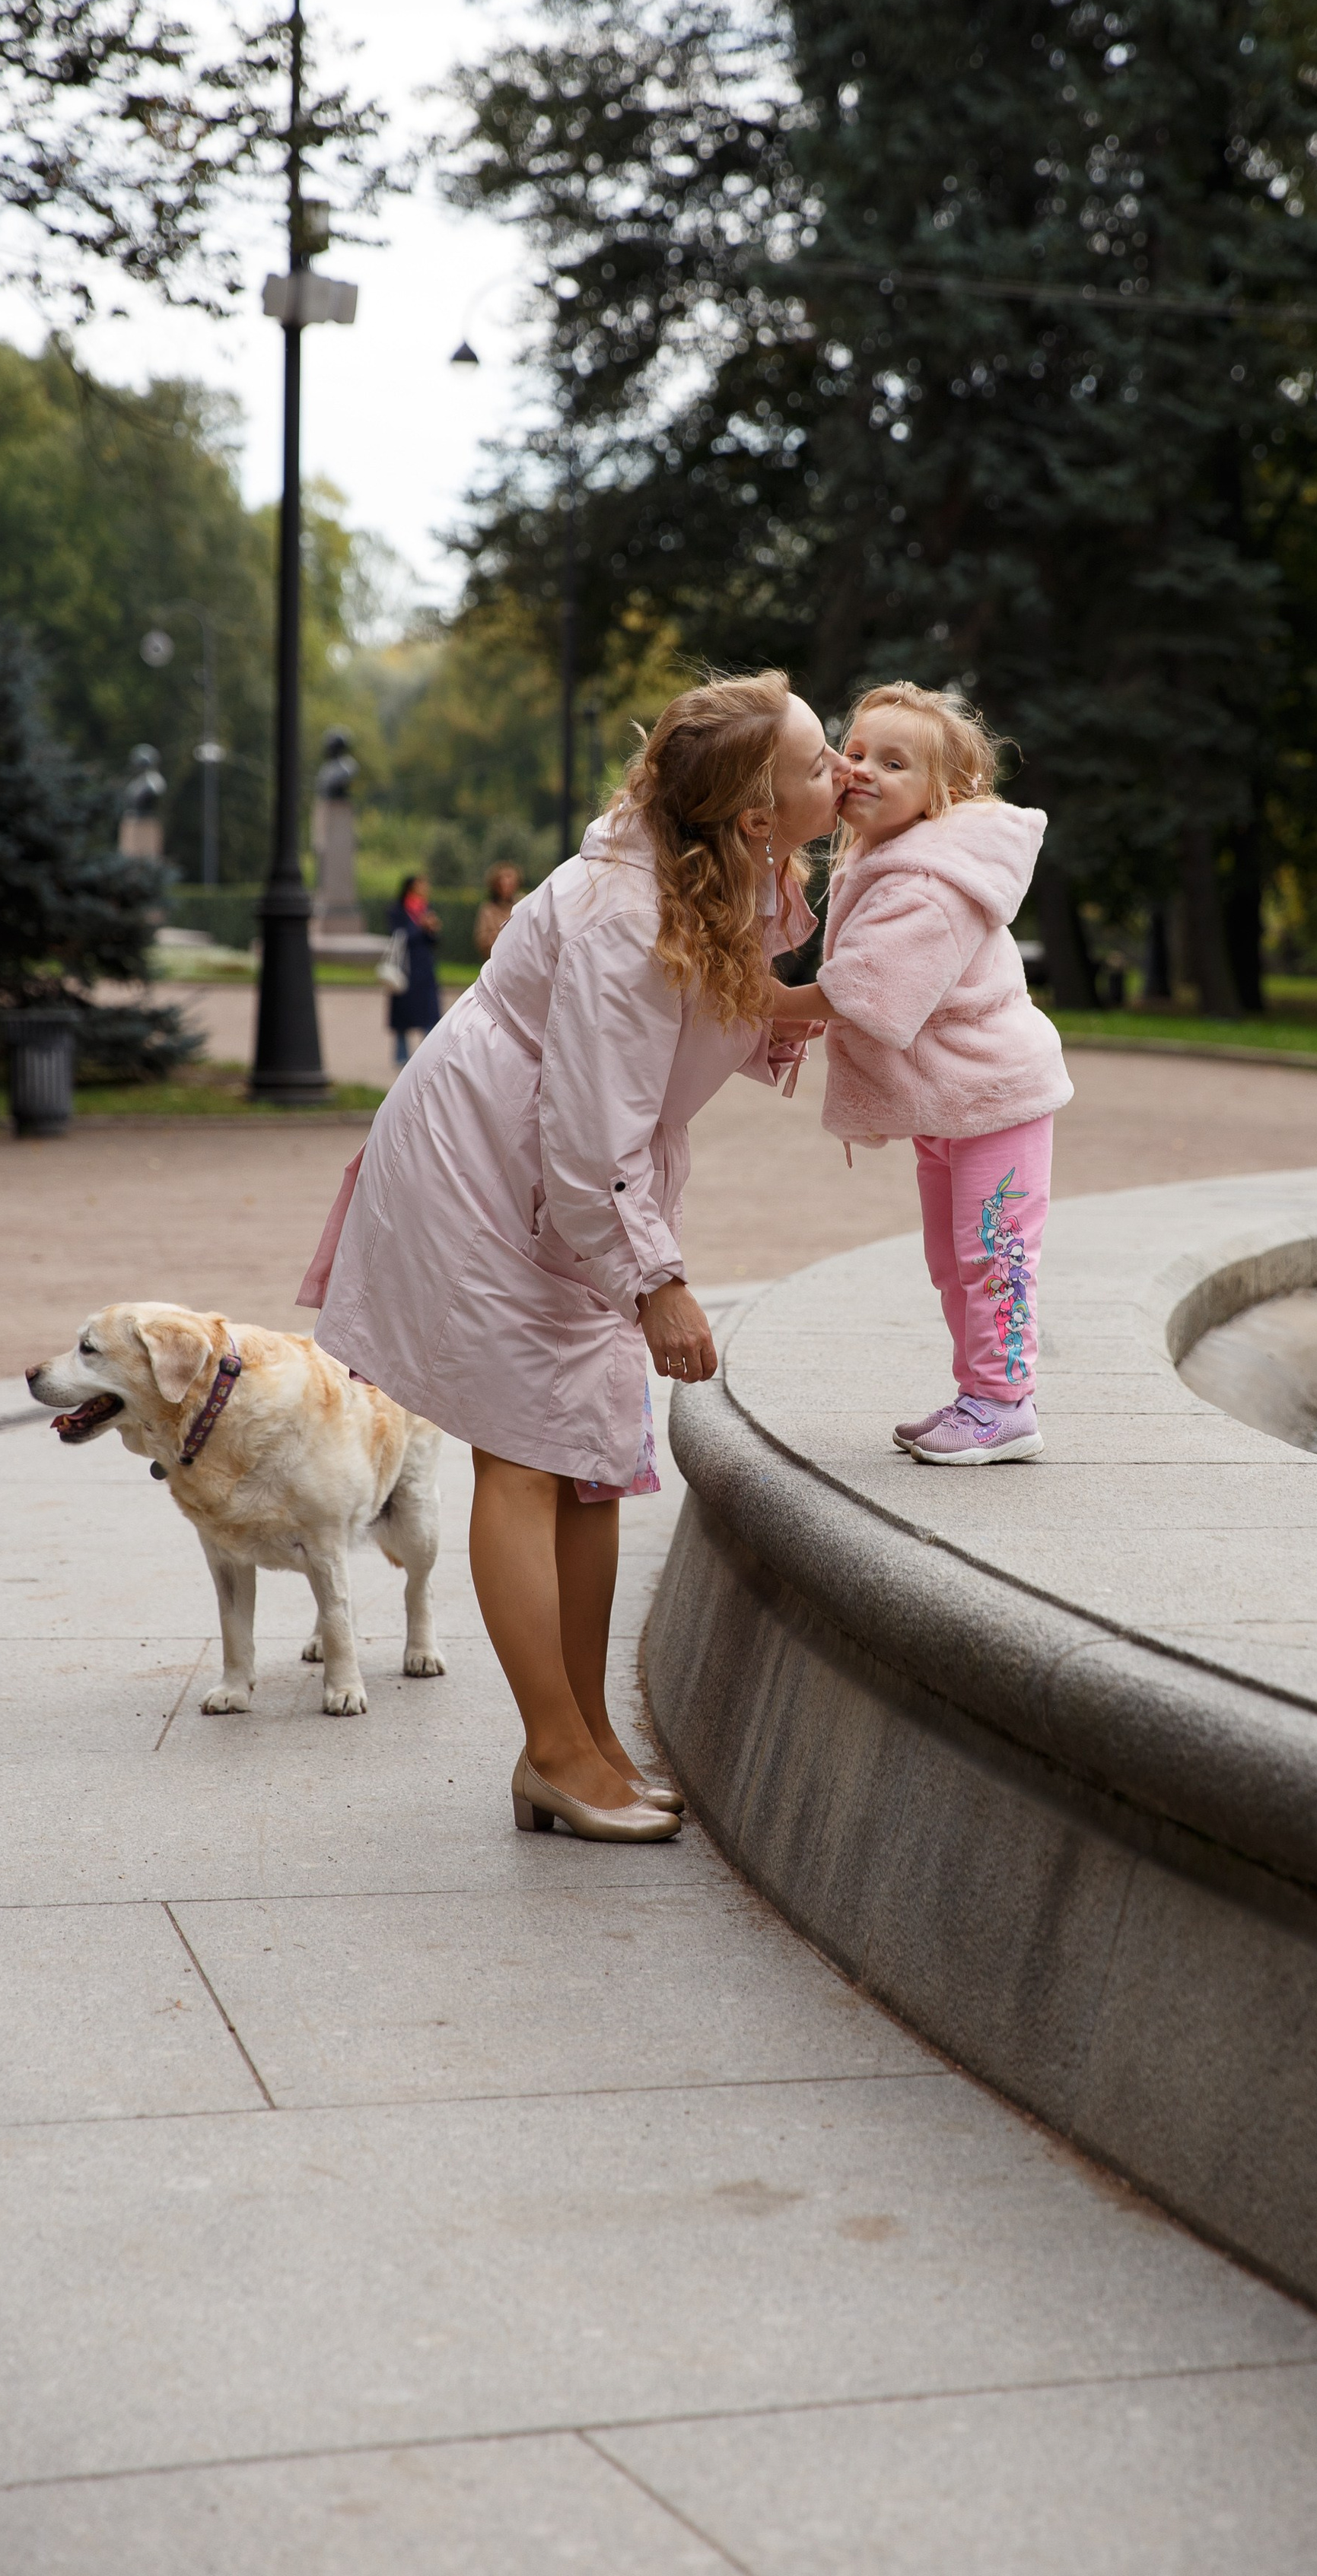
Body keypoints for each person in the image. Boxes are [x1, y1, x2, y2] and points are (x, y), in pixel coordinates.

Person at [298, 671, 846, 1841]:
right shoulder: (624, 919)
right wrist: (659, 1285)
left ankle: (588, 1742)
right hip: (492, 1177)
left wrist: (843, 999)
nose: (843, 771)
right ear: (756, 813)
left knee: (592, 1459)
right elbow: (591, 1133)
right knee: (527, 1457)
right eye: (820, 761)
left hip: (557, 1177)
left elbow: (715, 1012)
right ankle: (553, 1751)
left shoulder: (710, 864)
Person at [767, 679, 1074, 1466]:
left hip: (993, 1096)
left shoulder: (931, 883)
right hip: (953, 1101)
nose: (864, 770)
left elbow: (871, 987)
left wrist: (772, 1002)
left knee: (995, 1253)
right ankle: (981, 1395)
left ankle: (1005, 1405)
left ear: (943, 793)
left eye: (894, 763)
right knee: (953, 1258)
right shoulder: (890, 856)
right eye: (856, 750)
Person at [384, 875, 442, 1065]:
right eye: (421, 885)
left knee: (430, 1012)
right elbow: (399, 936)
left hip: (425, 968)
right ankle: (401, 1055)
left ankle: (428, 1055)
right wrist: (421, 927)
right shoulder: (398, 910)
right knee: (403, 1013)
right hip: (405, 967)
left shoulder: (427, 908)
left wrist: (432, 929)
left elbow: (434, 941)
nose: (425, 888)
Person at [472, 861, 524, 961]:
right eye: (502, 880)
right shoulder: (488, 910)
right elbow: (482, 940)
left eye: (510, 879)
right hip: (497, 962)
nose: (506, 884)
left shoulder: (522, 904)